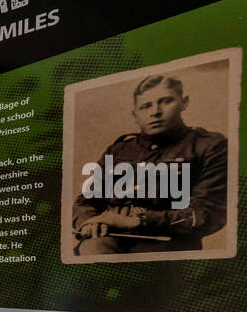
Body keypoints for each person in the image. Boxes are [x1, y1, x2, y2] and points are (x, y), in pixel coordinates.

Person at [72, 73, 228, 255]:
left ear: (184, 103)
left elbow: (206, 213)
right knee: (93, 249)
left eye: (166, 101)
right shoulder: (119, 150)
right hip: (108, 242)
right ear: (135, 115)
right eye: (146, 106)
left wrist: (140, 220)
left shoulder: (208, 146)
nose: (155, 112)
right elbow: (85, 201)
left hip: (167, 248)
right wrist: (91, 222)